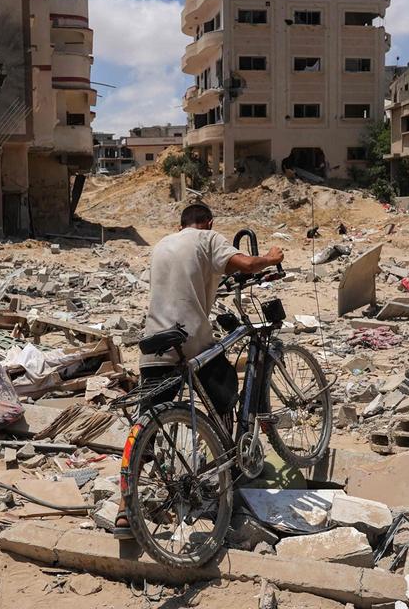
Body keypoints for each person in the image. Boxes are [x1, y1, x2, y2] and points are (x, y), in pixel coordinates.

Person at [113, 203, 284, 539]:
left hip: (155, 343)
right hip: (191, 339)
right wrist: (271, 257)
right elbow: (247, 264)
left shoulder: (162, 245)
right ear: (209, 222)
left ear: (180, 225)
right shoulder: (208, 238)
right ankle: (227, 467)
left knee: (145, 423)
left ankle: (123, 510)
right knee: (225, 392)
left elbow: (187, 281)